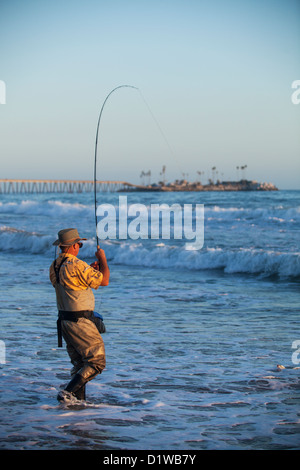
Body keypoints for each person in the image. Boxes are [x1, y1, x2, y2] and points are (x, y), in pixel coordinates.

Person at [49, 228, 110, 402]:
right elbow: (104, 280)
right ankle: (67, 393)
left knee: (80, 364)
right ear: (74, 246)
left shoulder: (54, 266)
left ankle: (78, 404)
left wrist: (89, 269)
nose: (79, 247)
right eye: (79, 244)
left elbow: (70, 286)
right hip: (80, 322)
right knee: (96, 362)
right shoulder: (77, 265)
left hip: (64, 321)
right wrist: (102, 260)